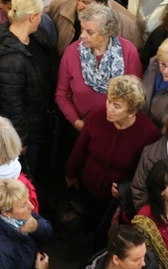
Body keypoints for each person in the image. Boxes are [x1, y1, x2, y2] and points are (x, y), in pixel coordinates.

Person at [66, 75, 160, 242]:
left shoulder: (147, 133)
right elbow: (80, 147)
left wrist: (126, 187)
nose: (109, 108)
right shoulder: (97, 115)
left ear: (132, 110)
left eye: (117, 106)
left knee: (106, 233)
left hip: (116, 200)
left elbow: (145, 170)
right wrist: (71, 174)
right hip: (88, 184)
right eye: (109, 101)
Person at [0, 0, 59, 174]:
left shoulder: (36, 36)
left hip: (38, 117)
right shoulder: (11, 60)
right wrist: (21, 139)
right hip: (27, 130)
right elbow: (12, 104)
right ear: (33, 17)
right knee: (26, 171)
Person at [56, 4, 142, 130]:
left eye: (89, 32)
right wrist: (76, 122)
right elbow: (62, 94)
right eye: (82, 29)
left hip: (118, 128)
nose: (82, 36)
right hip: (82, 127)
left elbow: (135, 97)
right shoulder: (72, 52)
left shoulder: (128, 52)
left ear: (106, 33)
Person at [48, 0, 142, 54]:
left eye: (86, 2)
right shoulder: (59, 4)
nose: (79, 6)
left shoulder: (129, 25)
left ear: (102, 2)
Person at [77, 225, 168, 269]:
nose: (143, 263)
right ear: (116, 259)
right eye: (135, 260)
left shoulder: (149, 262)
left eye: (144, 255)